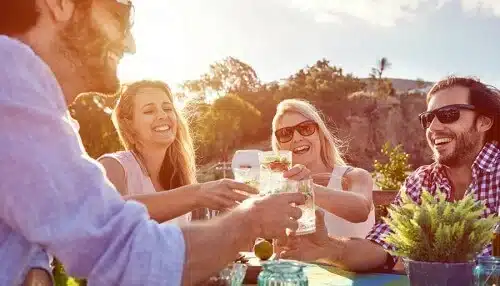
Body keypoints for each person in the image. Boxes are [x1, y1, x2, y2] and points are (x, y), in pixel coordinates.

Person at [0, 1, 306, 285]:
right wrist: (251, 221)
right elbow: (123, 254)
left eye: (167, 107)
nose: (130, 45)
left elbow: (35, 225)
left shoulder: (28, 105)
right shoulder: (9, 78)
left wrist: (34, 266)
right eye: (120, 18)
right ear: (59, 3)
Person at [279, 76, 500, 272]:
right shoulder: (421, 181)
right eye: (428, 118)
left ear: (484, 122)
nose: (433, 127)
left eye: (448, 114)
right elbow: (381, 247)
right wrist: (328, 248)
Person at [98, 80, 249, 224]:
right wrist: (198, 194)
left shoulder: (179, 178)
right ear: (128, 123)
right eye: (149, 111)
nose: (163, 115)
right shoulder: (113, 166)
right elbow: (110, 215)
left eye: (168, 108)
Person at [272, 99, 375, 238]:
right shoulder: (281, 191)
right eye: (285, 133)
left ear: (320, 134)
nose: (296, 138)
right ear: (279, 146)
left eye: (306, 128)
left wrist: (306, 186)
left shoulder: (354, 176)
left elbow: (361, 210)